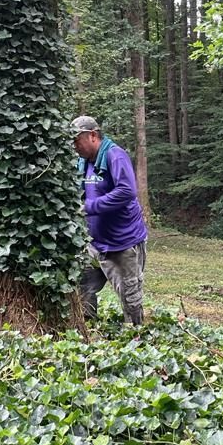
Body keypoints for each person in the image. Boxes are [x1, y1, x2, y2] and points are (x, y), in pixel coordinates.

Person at [72, 114, 147, 325]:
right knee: (82, 287)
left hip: (123, 244)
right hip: (94, 244)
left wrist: (88, 207)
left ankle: (136, 337)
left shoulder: (115, 156)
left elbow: (126, 191)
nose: (74, 146)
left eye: (77, 140)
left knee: (130, 298)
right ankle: (87, 328)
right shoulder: (84, 162)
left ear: (93, 136)